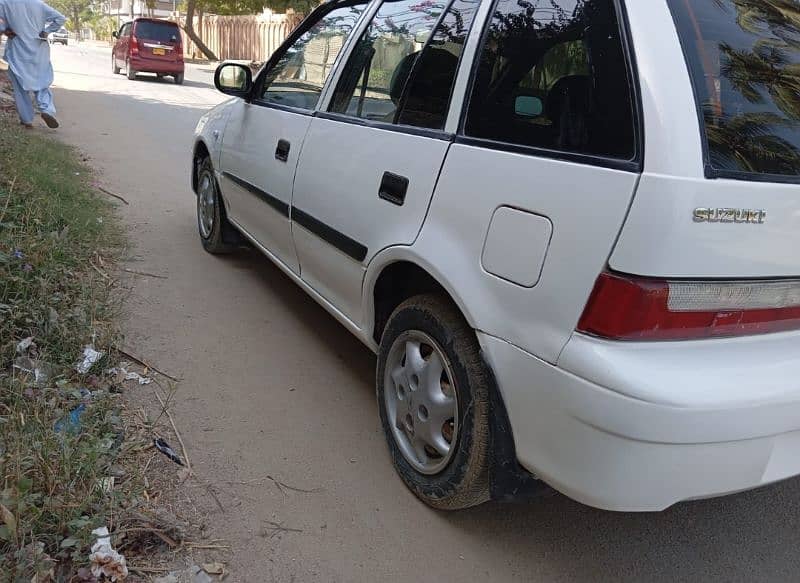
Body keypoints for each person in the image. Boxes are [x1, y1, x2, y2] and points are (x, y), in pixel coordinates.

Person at [0, 0, 65, 128]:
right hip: (38, 49)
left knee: (19, 87)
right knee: (42, 82)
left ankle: (27, 119)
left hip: (17, 50)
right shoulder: (38, 4)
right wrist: (47, 31)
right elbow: (60, 18)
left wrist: (6, 30)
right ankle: (46, 110)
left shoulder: (5, 3)